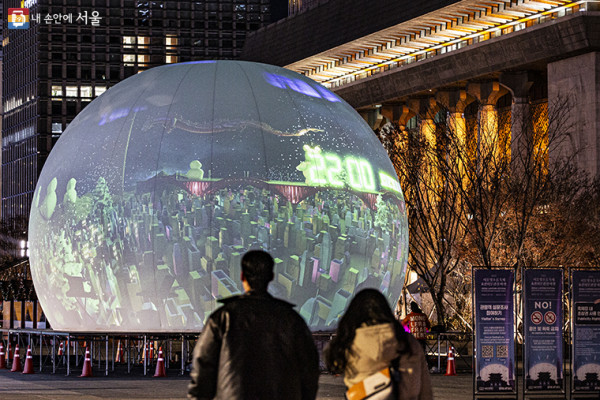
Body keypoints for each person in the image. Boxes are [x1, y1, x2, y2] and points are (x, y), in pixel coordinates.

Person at [187, 250, 319, 400]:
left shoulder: (222, 317)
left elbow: (202, 366)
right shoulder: (293, 320)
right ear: (271, 277)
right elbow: (309, 369)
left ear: (242, 276)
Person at [324, 289, 433, 400]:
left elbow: (335, 365)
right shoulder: (408, 342)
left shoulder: (349, 341)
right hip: (420, 339)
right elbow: (425, 391)